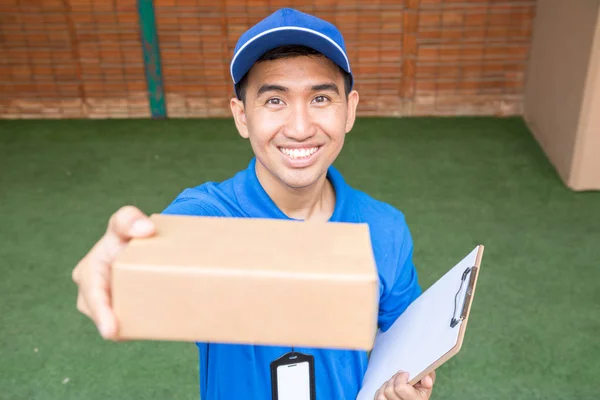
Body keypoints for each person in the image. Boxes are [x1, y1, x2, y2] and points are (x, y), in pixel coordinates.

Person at [72, 8, 436, 400]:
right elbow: (159, 255)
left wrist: (394, 388)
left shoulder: (386, 227)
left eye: (320, 98)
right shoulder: (208, 215)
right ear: (242, 116)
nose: (299, 128)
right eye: (275, 100)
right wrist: (121, 264)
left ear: (349, 109)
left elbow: (402, 344)